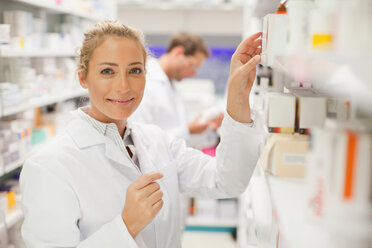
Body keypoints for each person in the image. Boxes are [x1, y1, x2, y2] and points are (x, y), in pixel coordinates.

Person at [20, 20, 263, 247]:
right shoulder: (49, 166)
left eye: (135, 70)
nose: (124, 86)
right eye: (107, 71)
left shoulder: (157, 141)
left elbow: (228, 180)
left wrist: (237, 97)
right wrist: (126, 225)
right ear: (83, 77)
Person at [130, 32, 223, 141]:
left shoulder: (171, 85)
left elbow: (180, 139)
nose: (193, 74)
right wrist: (188, 130)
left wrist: (207, 128)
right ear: (178, 52)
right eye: (192, 66)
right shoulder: (147, 81)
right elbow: (143, 139)